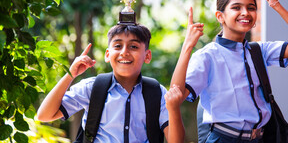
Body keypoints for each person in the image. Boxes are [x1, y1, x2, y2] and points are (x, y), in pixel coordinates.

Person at [170, 0, 288, 143]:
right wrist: (187, 47)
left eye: (251, 7)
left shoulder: (259, 50)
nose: (245, 13)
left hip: (261, 138)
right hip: (224, 139)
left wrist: (276, 5)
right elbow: (176, 94)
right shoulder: (207, 56)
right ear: (220, 16)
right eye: (236, 7)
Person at [37, 23, 185, 143]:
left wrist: (173, 108)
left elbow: (176, 141)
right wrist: (70, 75)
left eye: (133, 46)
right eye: (118, 46)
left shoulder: (156, 92)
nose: (124, 52)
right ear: (108, 55)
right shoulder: (91, 88)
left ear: (147, 55)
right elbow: (44, 115)